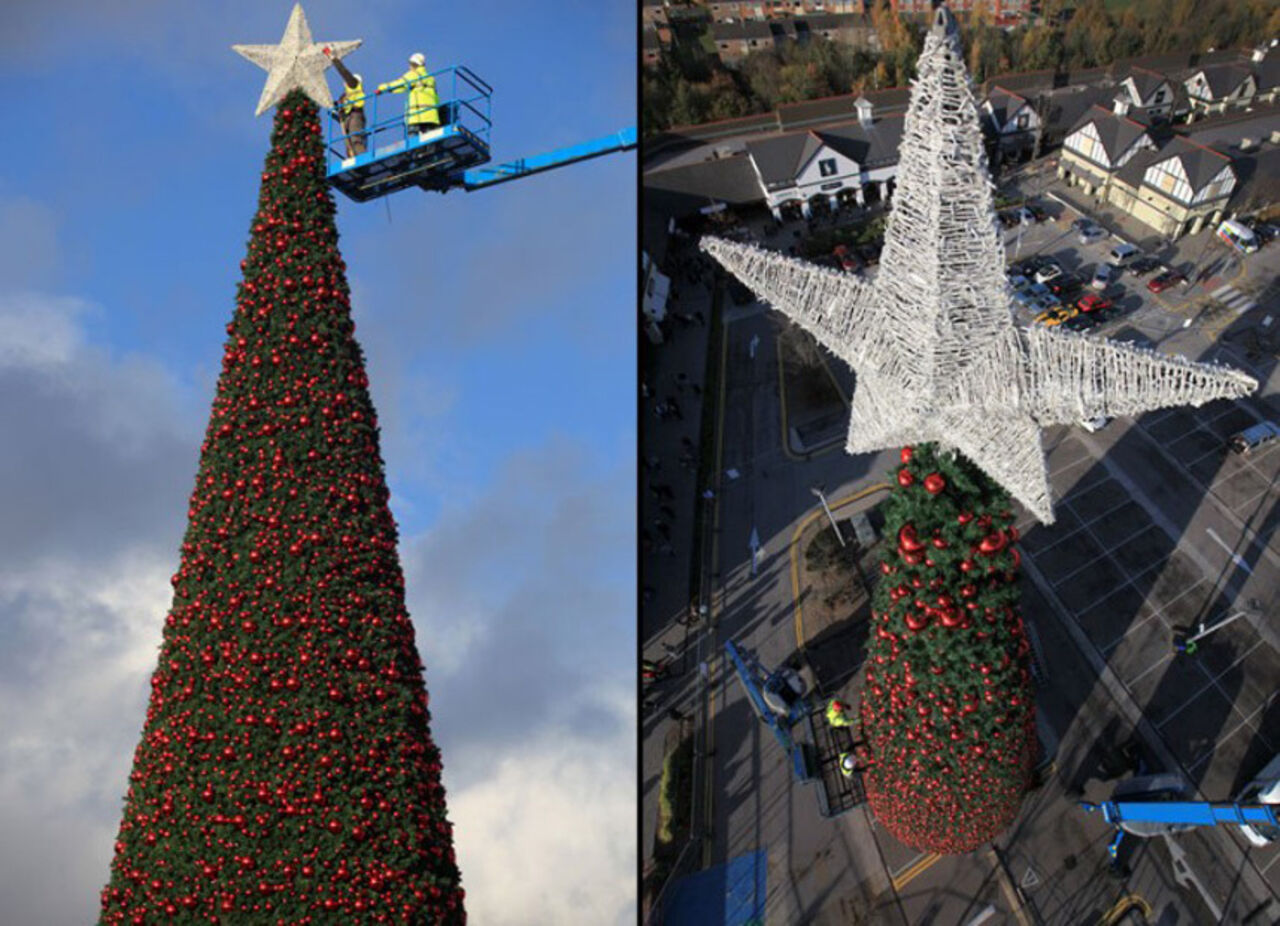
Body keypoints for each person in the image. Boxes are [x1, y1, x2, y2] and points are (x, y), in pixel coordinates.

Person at [378, 52, 441, 136]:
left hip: (416, 117)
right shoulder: (431, 78)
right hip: (432, 118)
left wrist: (382, 88)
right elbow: (436, 98)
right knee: (431, 144)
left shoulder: (413, 74)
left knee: (414, 143)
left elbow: (399, 84)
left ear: (413, 64)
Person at [323, 48, 367, 156]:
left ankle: (362, 159)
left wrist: (333, 58)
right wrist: (336, 109)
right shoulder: (345, 96)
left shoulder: (354, 85)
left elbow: (344, 72)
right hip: (348, 117)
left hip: (355, 115)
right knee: (349, 144)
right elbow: (340, 111)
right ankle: (353, 160)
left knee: (355, 139)